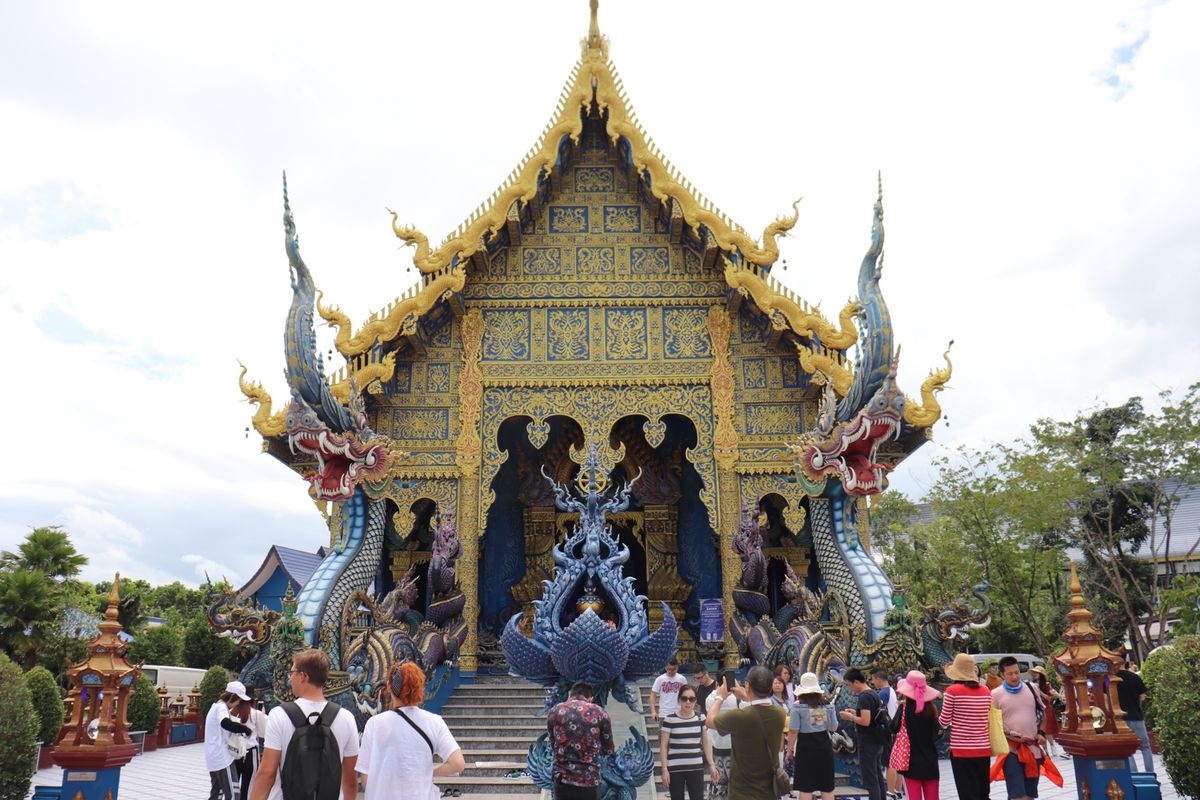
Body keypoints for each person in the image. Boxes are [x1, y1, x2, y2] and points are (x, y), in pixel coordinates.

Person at [249, 648, 360, 800]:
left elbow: (267, 773)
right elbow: (350, 780)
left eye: (292, 673)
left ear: (303, 676)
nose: (290, 678)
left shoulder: (279, 715)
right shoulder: (346, 718)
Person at [356, 661, 464, 799]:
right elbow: (458, 764)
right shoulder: (435, 722)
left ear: (389, 686)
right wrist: (428, 773)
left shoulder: (374, 724)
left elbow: (365, 779)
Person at [705, 665, 786, 800]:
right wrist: (746, 696)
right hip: (769, 790)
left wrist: (719, 697)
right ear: (771, 686)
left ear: (747, 685)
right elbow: (759, 708)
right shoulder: (780, 712)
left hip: (743, 791)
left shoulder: (740, 716)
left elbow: (709, 721)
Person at [547, 681, 615, 799]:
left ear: (570, 695)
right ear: (591, 698)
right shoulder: (599, 712)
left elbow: (553, 743)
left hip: (562, 778)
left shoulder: (555, 711)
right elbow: (609, 748)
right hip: (588, 778)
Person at [938, 653, 992, 800]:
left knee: (967, 793)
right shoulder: (986, 691)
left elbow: (944, 721)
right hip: (983, 749)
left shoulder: (952, 691)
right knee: (983, 793)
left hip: (961, 751)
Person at [992, 655, 1046, 800]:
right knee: (1017, 795)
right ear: (1002, 675)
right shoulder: (995, 695)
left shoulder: (1032, 688)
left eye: (1016, 672)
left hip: (1033, 749)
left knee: (1029, 795)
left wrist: (1041, 733)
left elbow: (1042, 713)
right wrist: (1009, 733)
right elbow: (993, 723)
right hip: (1011, 751)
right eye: (1010, 674)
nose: (1015, 676)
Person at [661, 685, 720, 800]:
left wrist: (711, 765)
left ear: (695, 701)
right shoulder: (669, 720)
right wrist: (664, 769)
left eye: (691, 699)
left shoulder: (700, 718)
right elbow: (663, 745)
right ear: (679, 700)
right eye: (684, 698)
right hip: (675, 768)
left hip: (696, 767)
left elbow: (706, 742)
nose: (688, 702)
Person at [786, 672, 838, 800]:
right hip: (824, 747)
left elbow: (793, 731)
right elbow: (833, 728)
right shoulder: (827, 706)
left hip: (805, 748)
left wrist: (789, 750)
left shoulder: (797, 707)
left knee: (806, 787)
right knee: (827, 787)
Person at [892, 671, 942, 800]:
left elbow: (893, 728)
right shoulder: (932, 710)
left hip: (911, 762)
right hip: (930, 761)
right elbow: (938, 734)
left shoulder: (903, 709)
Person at [839, 668, 885, 800]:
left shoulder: (864, 697)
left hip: (868, 741)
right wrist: (855, 712)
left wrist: (850, 717)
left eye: (849, 685)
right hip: (876, 740)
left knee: (870, 777)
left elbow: (865, 721)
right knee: (877, 774)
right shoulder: (873, 694)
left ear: (856, 682)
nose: (849, 688)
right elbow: (871, 716)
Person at [205, 680, 254, 800]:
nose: (238, 703)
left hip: (212, 758)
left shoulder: (215, 707)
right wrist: (245, 729)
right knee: (233, 794)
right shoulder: (221, 707)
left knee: (216, 794)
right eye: (238, 700)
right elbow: (225, 723)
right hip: (222, 759)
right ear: (233, 696)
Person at [704, 670, 741, 800]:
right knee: (735, 785)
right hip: (734, 748)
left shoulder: (711, 698)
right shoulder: (737, 698)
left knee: (719, 784)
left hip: (717, 746)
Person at [1116, 660, 1154, 773]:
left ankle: (1134, 774)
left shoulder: (1110, 679)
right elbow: (1143, 696)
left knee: (1126, 748)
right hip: (1136, 716)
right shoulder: (1135, 677)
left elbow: (1106, 698)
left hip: (1121, 719)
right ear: (1125, 663)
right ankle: (1150, 774)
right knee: (1145, 747)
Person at [872, 669, 902, 800]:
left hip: (886, 731)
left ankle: (890, 791)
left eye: (873, 680)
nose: (873, 683)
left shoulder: (883, 693)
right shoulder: (891, 691)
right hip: (893, 730)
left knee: (889, 762)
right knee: (895, 761)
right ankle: (897, 789)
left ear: (878, 678)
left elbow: (878, 712)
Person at [1029, 667, 1063, 758]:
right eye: (1033, 673)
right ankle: (1045, 750)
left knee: (1048, 729)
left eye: (1037, 672)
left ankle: (1052, 746)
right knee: (1040, 729)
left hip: (1046, 706)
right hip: (1036, 708)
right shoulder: (1031, 685)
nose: (1035, 674)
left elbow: (1049, 698)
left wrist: (1039, 691)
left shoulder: (1046, 684)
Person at [231, 690, 259, 800]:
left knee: (233, 787)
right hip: (250, 754)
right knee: (248, 788)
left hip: (234, 753)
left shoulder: (229, 712)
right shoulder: (255, 714)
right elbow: (265, 732)